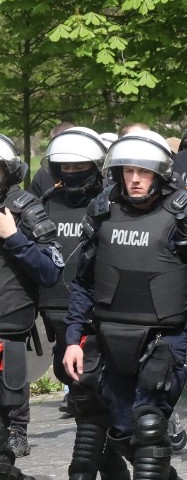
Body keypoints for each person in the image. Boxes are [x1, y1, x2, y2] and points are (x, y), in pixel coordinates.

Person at [62, 130, 187, 479]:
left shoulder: (183, 216)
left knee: (148, 425)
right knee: (123, 430)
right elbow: (84, 281)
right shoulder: (102, 212)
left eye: (143, 172)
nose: (134, 178)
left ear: (159, 174)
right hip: (110, 338)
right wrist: (73, 338)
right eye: (127, 170)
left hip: (164, 340)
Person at [37, 128, 132, 480]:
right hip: (55, 311)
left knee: (94, 395)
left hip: (98, 313)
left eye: (80, 165)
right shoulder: (45, 201)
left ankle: (94, 465)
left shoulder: (110, 205)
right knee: (79, 391)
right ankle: (113, 465)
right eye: (65, 166)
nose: (72, 172)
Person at [0, 134, 63, 480]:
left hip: (8, 328)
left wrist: (14, 237)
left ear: (7, 172)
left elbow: (51, 270)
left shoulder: (25, 207)